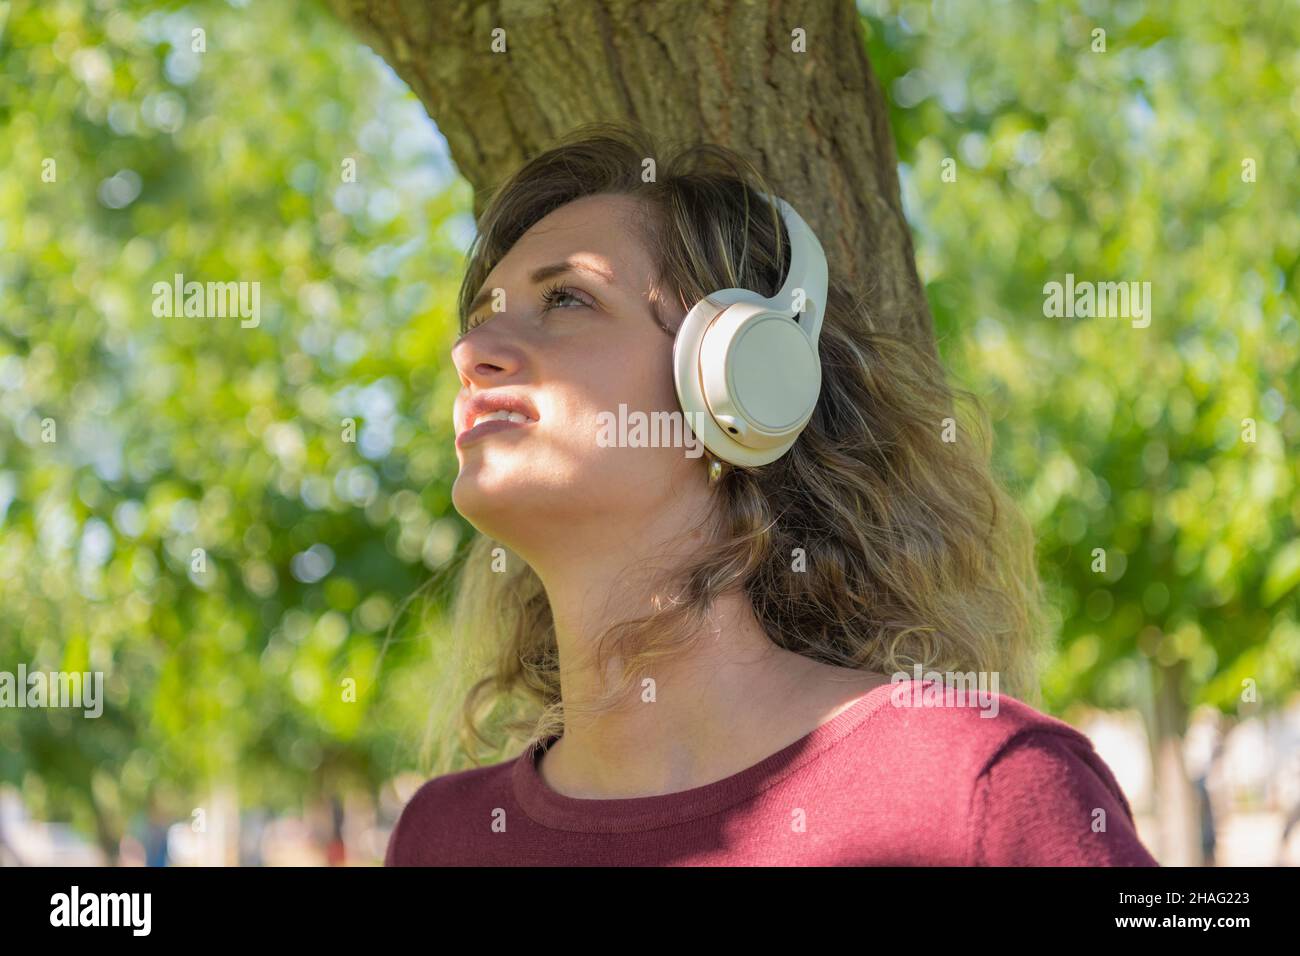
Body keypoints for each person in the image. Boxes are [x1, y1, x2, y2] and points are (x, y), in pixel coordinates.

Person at [385, 122, 1157, 867]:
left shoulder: (977, 786)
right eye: (482, 319)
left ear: (741, 384)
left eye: (566, 300)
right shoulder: (441, 838)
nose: (471, 352)